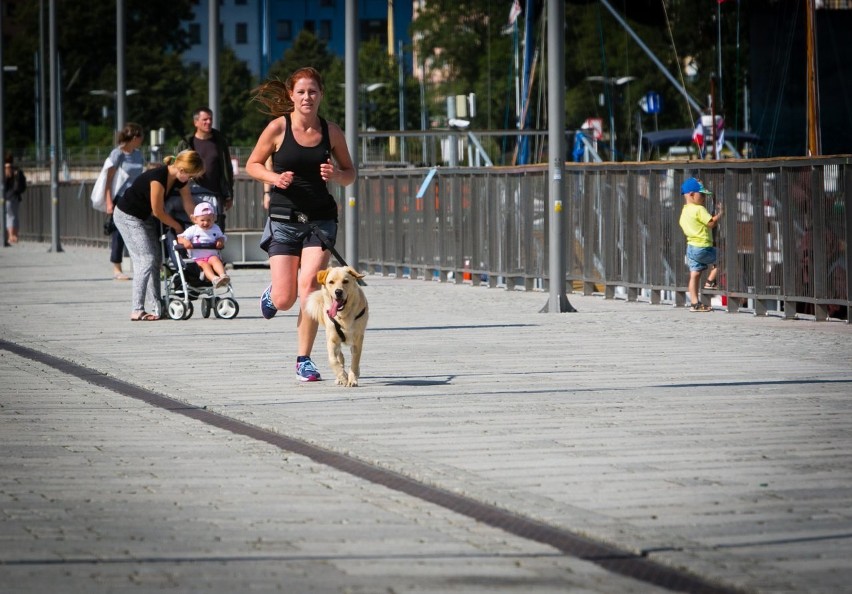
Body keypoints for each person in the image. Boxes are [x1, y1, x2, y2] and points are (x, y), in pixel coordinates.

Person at [245, 66, 356, 382]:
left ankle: (303, 359)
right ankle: (272, 295)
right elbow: (253, 164)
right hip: (283, 220)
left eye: (313, 91)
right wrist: (274, 178)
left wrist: (336, 175)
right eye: (301, 92)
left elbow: (350, 174)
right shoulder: (278, 128)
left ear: (321, 94)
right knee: (285, 299)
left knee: (309, 289)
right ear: (291, 96)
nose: (307, 97)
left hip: (320, 221)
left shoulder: (331, 131)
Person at [112, 150, 204, 321]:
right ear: (182, 170)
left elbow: (189, 205)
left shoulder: (179, 180)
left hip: (144, 217)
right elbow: (158, 211)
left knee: (156, 259)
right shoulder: (158, 178)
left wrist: (199, 222)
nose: (190, 180)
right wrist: (177, 226)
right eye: (190, 176)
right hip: (127, 217)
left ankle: (157, 307)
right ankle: (137, 309)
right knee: (145, 259)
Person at [176, 107, 234, 232]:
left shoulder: (219, 141)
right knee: (193, 230)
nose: (208, 122)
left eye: (210, 119)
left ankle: (216, 252)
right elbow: (178, 167)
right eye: (204, 119)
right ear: (196, 122)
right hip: (191, 193)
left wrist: (229, 194)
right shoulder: (186, 143)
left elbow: (227, 169)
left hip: (215, 193)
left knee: (216, 230)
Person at [105, 123, 146, 280]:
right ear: (135, 138)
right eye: (141, 137)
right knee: (118, 233)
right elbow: (108, 180)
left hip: (135, 196)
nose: (142, 140)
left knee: (138, 230)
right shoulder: (117, 154)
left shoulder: (138, 154)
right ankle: (117, 267)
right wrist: (109, 201)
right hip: (120, 197)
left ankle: (139, 264)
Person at [679, 176, 723, 312]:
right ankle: (710, 282)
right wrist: (721, 213)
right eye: (702, 195)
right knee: (724, 259)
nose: (704, 198)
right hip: (702, 247)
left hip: (690, 247)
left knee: (695, 274)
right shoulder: (699, 209)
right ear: (692, 194)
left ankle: (694, 303)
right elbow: (711, 223)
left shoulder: (685, 210)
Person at [177, 201, 230, 288]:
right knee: (205, 265)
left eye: (209, 220)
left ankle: (223, 275)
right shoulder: (193, 229)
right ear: (195, 219)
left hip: (211, 256)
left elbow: (222, 237)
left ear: (214, 219)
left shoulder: (216, 228)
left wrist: (221, 240)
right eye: (202, 220)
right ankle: (214, 279)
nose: (206, 223)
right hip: (198, 259)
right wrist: (185, 241)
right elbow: (180, 238)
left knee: (216, 260)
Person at [4, 154, 27, 244]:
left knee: (8, 217)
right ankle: (15, 236)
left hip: (6, 197)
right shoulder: (16, 169)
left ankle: (10, 236)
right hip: (15, 196)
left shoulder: (3, 170)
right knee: (14, 216)